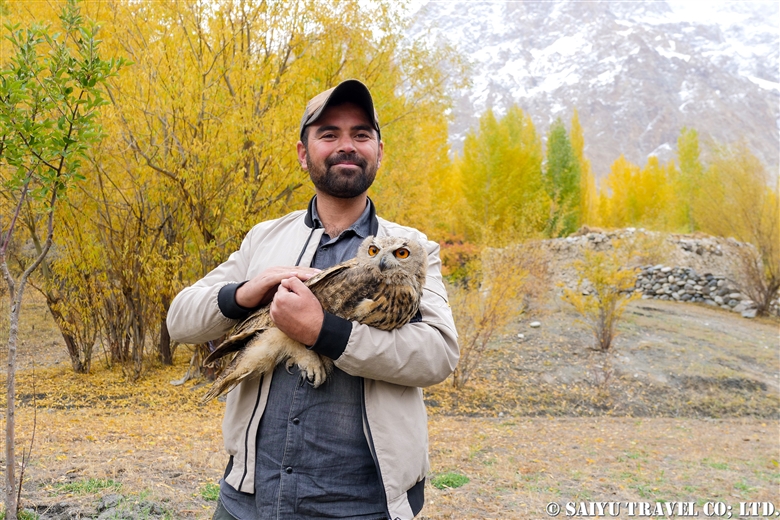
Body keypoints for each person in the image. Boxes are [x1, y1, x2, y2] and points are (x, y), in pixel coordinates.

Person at [166, 79, 459, 520]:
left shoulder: (411, 248)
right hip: (251, 495)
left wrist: (327, 333)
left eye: (361, 134)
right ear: (304, 153)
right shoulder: (264, 239)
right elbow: (180, 320)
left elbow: (438, 355)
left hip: (361, 504)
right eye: (328, 134)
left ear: (380, 151)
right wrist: (245, 294)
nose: (347, 145)